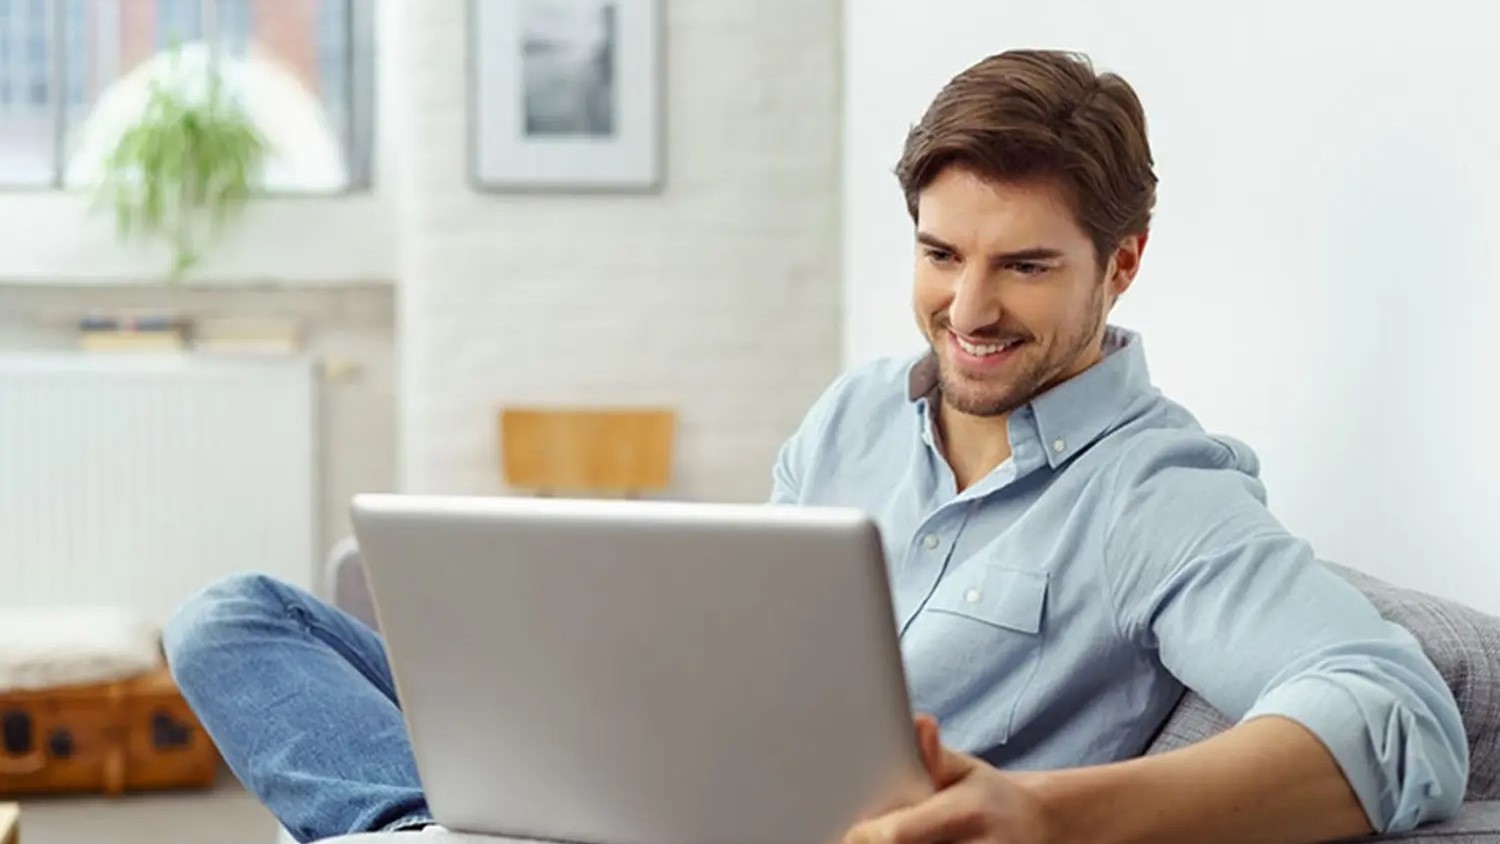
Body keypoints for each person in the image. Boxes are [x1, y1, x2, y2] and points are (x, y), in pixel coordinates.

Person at [163, 49, 1468, 843]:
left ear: (1121, 264)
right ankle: (446, 826)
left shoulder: (1164, 497)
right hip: (662, 786)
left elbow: (1396, 712)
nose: (967, 311)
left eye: (1022, 267)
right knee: (230, 617)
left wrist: (1046, 820)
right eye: (938, 254)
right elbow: (748, 643)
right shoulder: (853, 414)